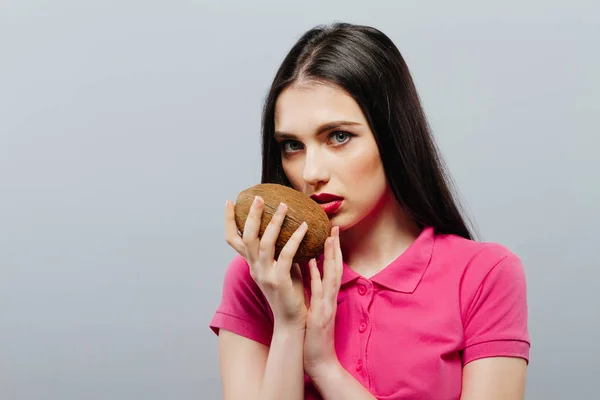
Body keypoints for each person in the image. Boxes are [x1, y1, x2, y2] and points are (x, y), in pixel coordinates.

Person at [209, 22, 530, 400]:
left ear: (393, 136)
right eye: (293, 145)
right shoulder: (261, 277)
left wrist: (325, 368)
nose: (311, 173)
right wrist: (289, 325)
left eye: (338, 137)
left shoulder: (484, 276)